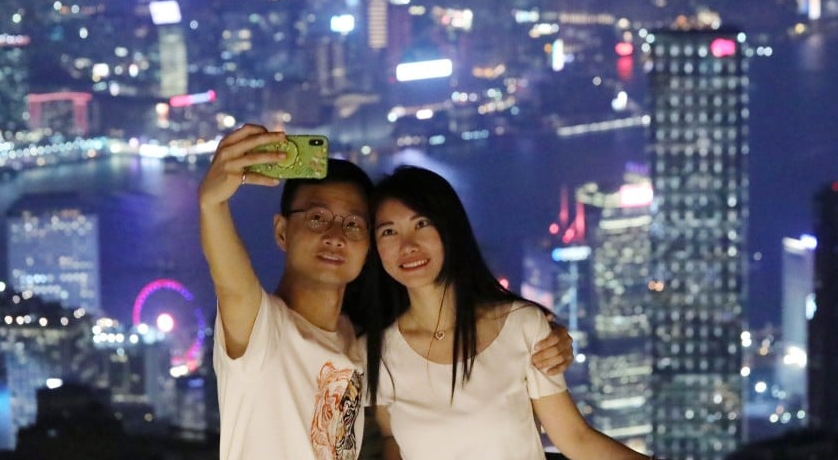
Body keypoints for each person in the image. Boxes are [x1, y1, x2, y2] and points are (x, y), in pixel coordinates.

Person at [198, 125, 573, 460]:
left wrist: (536, 333)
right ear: (282, 232)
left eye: (354, 225)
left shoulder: (360, 343)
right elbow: (232, 284)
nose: (335, 235)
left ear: (370, 247)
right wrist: (212, 203)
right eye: (316, 218)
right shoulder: (262, 330)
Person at [366, 165, 650, 460]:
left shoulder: (521, 326)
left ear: (450, 229)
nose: (408, 245)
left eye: (422, 224)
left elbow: (576, 439)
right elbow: (392, 442)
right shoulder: (378, 352)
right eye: (389, 231)